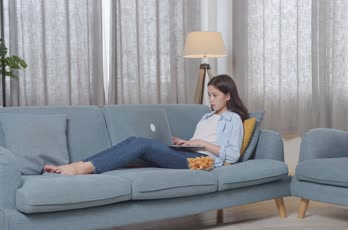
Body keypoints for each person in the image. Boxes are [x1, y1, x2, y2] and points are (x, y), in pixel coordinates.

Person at [43, 74, 249, 175]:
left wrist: (202, 143)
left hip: (204, 163)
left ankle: (80, 169)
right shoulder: (206, 116)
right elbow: (200, 142)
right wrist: (186, 142)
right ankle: (77, 165)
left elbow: (232, 155)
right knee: (134, 141)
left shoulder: (233, 119)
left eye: (215, 95)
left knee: (142, 145)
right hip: (192, 153)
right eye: (209, 95)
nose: (211, 100)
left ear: (228, 95)